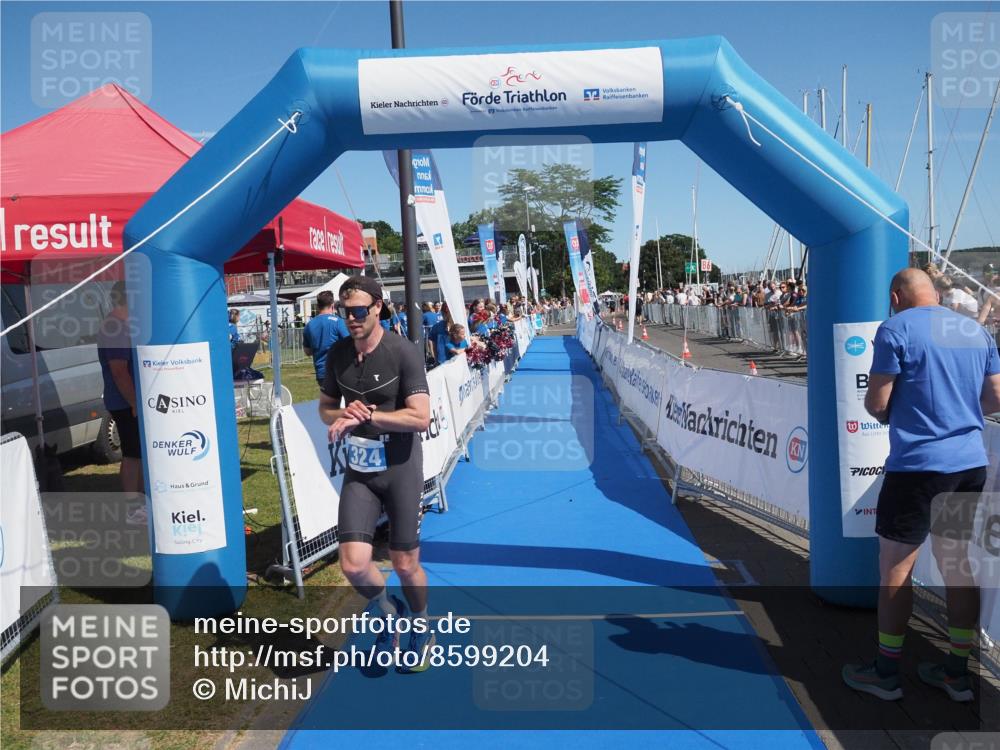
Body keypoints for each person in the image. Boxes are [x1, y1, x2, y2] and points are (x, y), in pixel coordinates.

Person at [843, 268, 1000, 702]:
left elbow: (877, 402)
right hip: (968, 463)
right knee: (957, 565)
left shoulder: (894, 329)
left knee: (895, 569)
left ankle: (887, 673)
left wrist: (906, 415)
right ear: (935, 293)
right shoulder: (974, 330)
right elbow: (995, 399)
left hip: (917, 467)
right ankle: (956, 673)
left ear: (896, 296)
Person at [318, 276, 435, 672]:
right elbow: (325, 409)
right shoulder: (338, 355)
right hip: (361, 472)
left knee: (404, 564)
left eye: (357, 311)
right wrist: (343, 415)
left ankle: (421, 626)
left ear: (377, 308)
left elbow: (421, 417)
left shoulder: (402, 351)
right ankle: (387, 611)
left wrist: (373, 416)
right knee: (352, 564)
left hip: (401, 469)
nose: (350, 319)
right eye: (343, 311)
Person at [98, 281, 145, 525]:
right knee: (133, 454)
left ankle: (141, 505)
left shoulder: (123, 324)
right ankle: (133, 509)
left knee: (138, 453)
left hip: (130, 400)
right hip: (125, 401)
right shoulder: (115, 326)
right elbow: (119, 371)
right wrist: (134, 401)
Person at [302, 291, 350, 387]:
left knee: (328, 401)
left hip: (321, 373)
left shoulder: (309, 325)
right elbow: (350, 343)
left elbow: (307, 351)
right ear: (332, 305)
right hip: (339, 371)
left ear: (317, 306)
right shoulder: (338, 322)